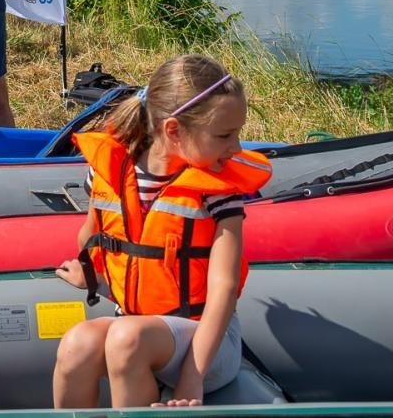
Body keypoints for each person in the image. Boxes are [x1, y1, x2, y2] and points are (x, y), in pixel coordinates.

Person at [52, 55, 268, 408]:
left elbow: (225, 288)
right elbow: (91, 238)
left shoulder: (219, 190)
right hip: (137, 327)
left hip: (206, 347)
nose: (237, 149)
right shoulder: (108, 172)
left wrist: (191, 378)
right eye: (226, 135)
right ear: (173, 130)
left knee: (126, 338)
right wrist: (95, 280)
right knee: (78, 343)